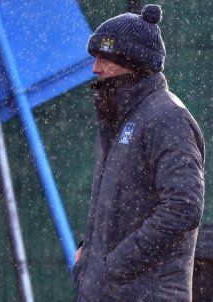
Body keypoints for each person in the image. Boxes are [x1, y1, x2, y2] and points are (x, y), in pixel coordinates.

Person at [73, 4, 205, 301]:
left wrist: (116, 263)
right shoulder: (120, 117)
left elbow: (183, 207)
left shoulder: (166, 117)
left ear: (132, 61)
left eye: (104, 57)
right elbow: (122, 205)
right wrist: (91, 252)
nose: (95, 68)